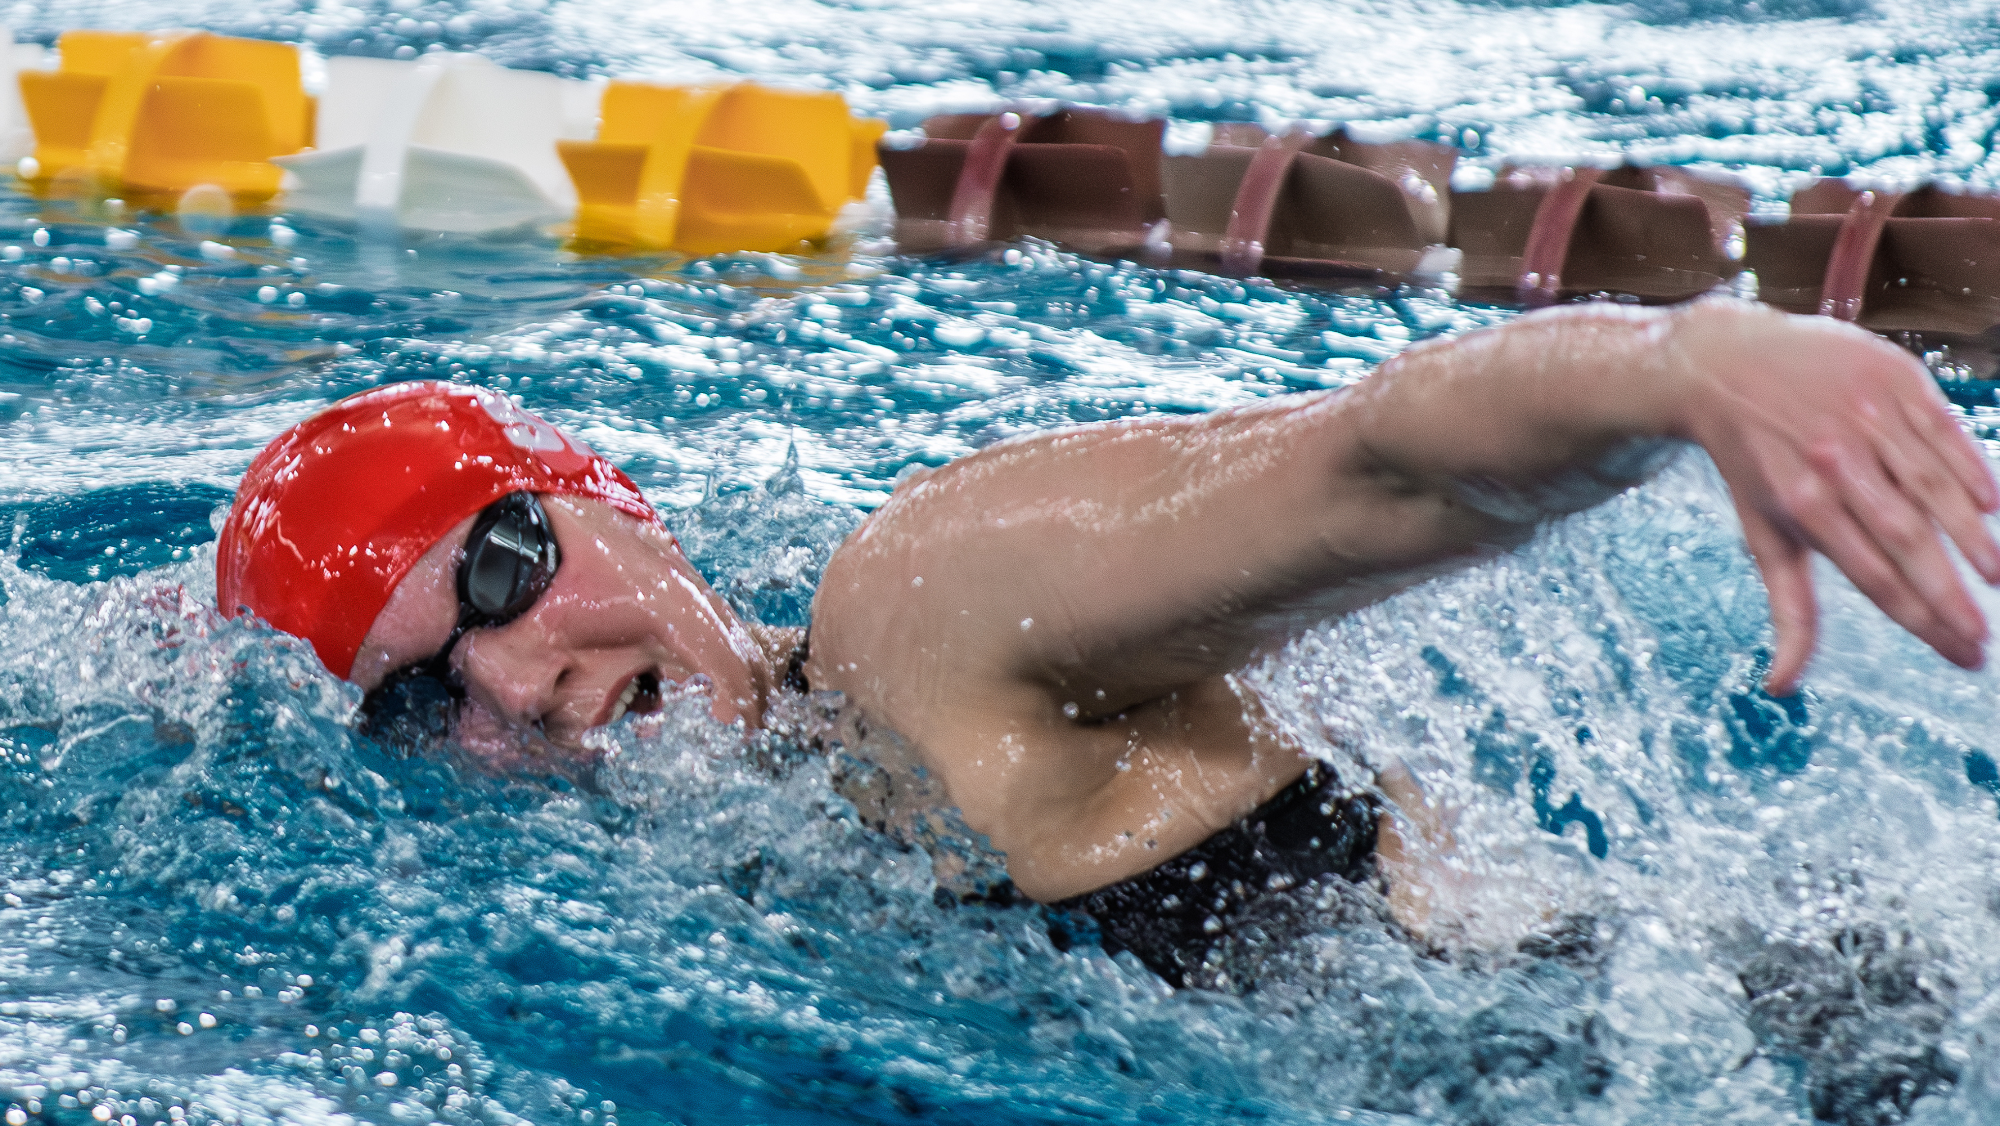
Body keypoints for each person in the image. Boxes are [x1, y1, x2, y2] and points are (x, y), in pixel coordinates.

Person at [216, 297, 2000, 986]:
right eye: (416, 701)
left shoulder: (915, 611)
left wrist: (1688, 367)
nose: (517, 679)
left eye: (507, 568)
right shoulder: (725, 882)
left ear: (606, 496)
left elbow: (1363, 462)